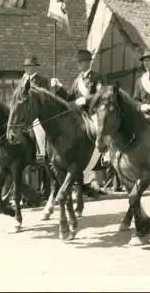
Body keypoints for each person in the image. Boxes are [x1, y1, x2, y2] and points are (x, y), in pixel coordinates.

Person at [51, 49, 107, 196]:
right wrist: (59, 87)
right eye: (79, 62)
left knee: (96, 131)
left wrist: (86, 100)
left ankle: (103, 156)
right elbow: (70, 97)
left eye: (82, 62)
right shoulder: (77, 81)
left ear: (88, 63)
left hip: (92, 112)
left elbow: (101, 94)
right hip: (78, 114)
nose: (79, 65)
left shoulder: (97, 77)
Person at [21, 54, 51, 162]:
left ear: (34, 67)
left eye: (28, 66)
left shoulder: (42, 80)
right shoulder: (23, 81)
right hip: (24, 114)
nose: (26, 68)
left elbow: (45, 99)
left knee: (39, 131)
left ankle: (41, 154)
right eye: (25, 66)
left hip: (37, 114)